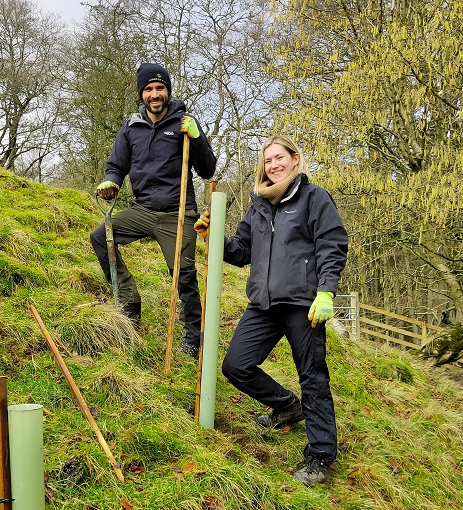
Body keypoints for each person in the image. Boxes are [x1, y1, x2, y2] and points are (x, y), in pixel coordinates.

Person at [194, 134, 348, 485]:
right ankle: (285, 405)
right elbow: (241, 251)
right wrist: (212, 237)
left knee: (313, 376)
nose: (273, 165)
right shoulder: (259, 206)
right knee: (236, 365)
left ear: (295, 160)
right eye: (267, 160)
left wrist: (326, 292)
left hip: (301, 303)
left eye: (280, 158)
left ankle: (321, 456)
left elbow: (332, 244)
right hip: (263, 303)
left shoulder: (314, 198)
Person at [90, 63, 217, 358]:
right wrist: (111, 181)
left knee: (183, 274)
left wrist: (196, 138)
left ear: (168, 91)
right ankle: (130, 301)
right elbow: (116, 165)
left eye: (160, 88)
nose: (154, 94)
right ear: (141, 95)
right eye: (148, 89)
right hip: (143, 209)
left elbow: (208, 169)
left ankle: (191, 336)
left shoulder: (184, 122)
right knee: (101, 237)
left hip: (178, 211)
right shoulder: (131, 127)